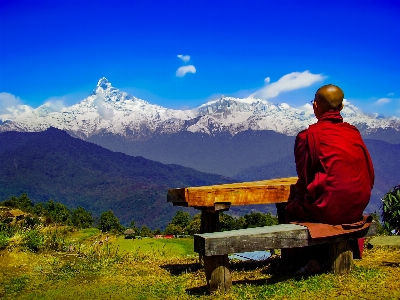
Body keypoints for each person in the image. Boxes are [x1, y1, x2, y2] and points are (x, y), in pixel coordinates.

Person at [285, 84, 375, 273]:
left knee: (292, 209)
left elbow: (305, 179)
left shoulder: (307, 136)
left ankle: (309, 260)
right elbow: (369, 172)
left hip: (327, 208)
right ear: (341, 107)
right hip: (357, 206)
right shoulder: (353, 133)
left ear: (315, 106)